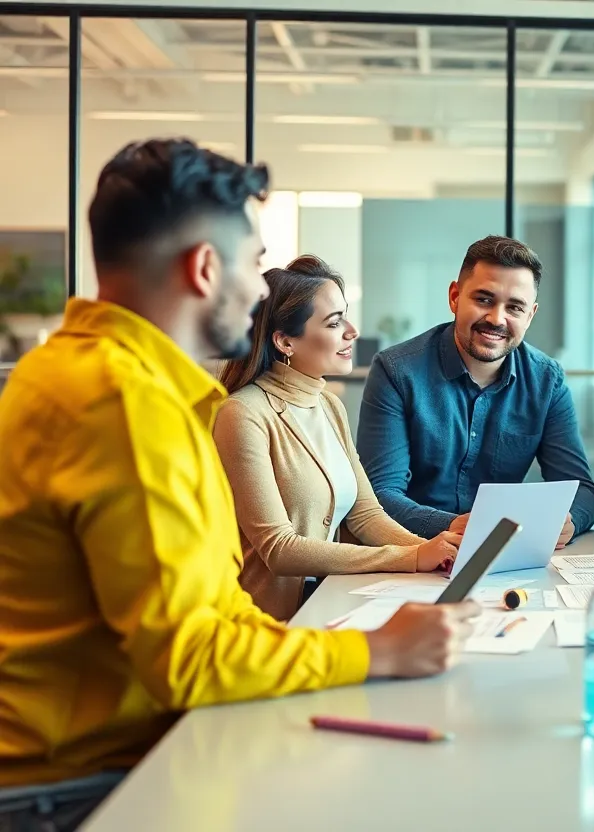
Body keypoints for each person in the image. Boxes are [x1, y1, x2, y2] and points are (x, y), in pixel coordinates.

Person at [0, 139, 477, 825]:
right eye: (254, 263)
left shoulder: (108, 378)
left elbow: (217, 606)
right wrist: (376, 650)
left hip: (126, 752)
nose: (260, 291)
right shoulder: (124, 401)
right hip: (90, 784)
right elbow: (190, 659)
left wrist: (339, 645)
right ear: (203, 268)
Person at [213, 256, 461, 621]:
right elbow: (280, 549)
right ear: (285, 341)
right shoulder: (243, 413)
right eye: (334, 322)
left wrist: (437, 553)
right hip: (271, 620)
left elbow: (366, 515)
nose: (352, 331)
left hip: (331, 599)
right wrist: (411, 557)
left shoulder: (329, 405)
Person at [357, 236, 594, 544]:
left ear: (530, 316)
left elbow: (582, 491)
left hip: (504, 554)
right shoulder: (396, 371)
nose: (497, 319)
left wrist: (568, 521)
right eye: (484, 300)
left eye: (515, 307)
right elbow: (379, 496)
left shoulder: (546, 380)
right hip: (413, 551)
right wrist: (455, 526)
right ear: (455, 297)